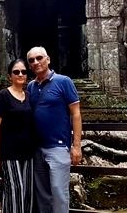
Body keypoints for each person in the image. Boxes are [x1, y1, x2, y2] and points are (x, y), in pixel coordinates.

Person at [26, 46, 82, 213]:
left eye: (39, 58)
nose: (36, 62)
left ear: (48, 59)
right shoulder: (31, 87)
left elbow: (76, 114)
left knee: (59, 192)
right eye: (31, 60)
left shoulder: (64, 81)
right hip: (36, 149)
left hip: (58, 147)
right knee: (42, 195)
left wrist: (77, 146)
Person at [0, 58, 35, 213]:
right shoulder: (3, 95)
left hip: (29, 152)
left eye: (23, 71)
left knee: (28, 193)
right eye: (16, 72)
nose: (20, 74)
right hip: (10, 153)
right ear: (10, 75)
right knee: (14, 191)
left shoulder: (29, 96)